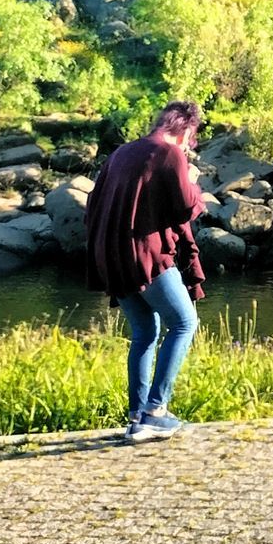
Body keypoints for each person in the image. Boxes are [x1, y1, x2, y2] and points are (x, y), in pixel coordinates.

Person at [84, 99, 208, 442]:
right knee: (184, 323)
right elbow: (186, 205)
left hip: (110, 258)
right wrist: (193, 180)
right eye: (191, 139)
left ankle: (137, 417)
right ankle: (155, 411)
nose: (189, 146)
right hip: (144, 256)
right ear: (185, 130)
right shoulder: (170, 154)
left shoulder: (121, 152)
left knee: (144, 333)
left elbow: (94, 203)